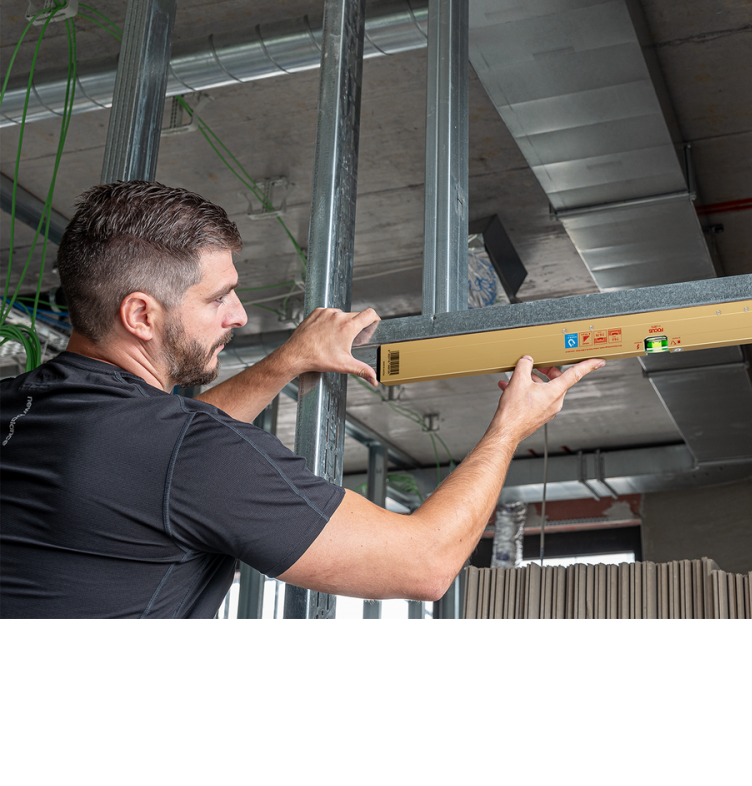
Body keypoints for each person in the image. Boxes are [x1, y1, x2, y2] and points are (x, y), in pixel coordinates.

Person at [0, 181, 603, 618]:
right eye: (218, 298)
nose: (240, 315)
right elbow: (425, 564)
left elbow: (153, 454)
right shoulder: (188, 455)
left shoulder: (27, 408)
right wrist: (510, 428)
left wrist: (285, 361)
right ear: (140, 315)